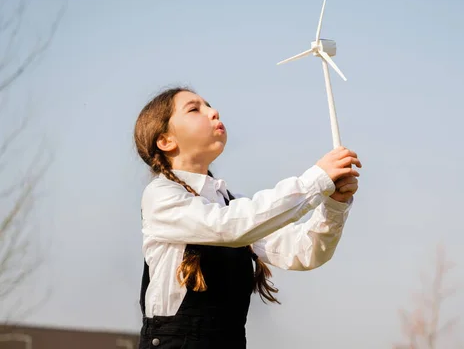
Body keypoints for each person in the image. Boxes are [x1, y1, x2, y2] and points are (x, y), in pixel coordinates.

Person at [133, 86, 362, 348]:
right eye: (195, 109)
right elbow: (228, 226)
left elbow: (303, 251)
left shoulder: (231, 202)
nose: (213, 111)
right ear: (165, 141)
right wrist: (316, 179)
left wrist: (334, 205)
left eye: (209, 104)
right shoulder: (161, 195)